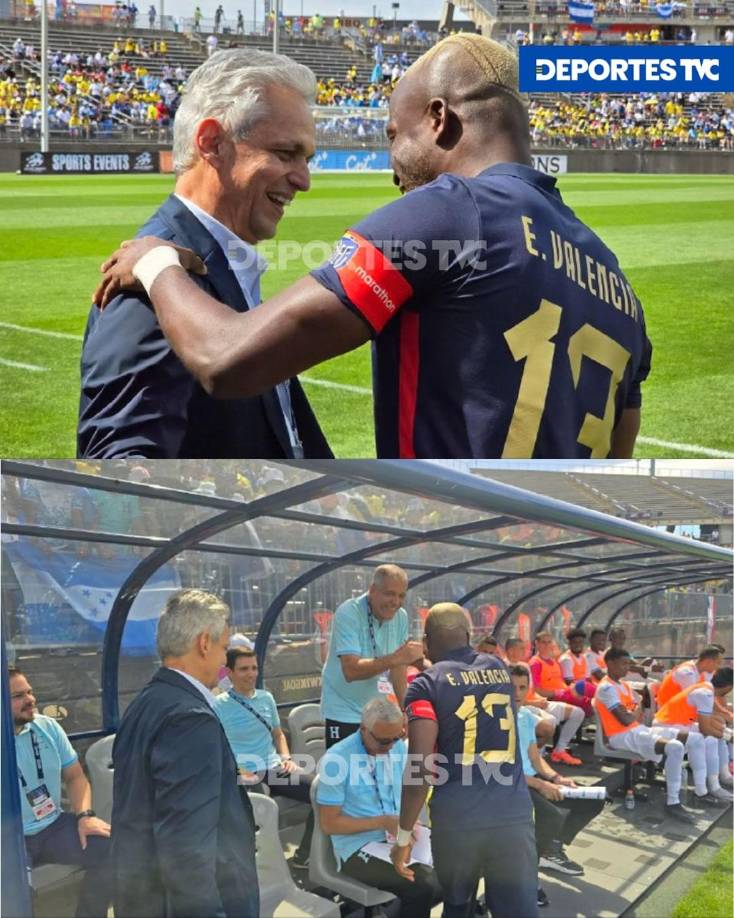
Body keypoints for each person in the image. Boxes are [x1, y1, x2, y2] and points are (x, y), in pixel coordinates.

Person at [95, 34, 651, 460]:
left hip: (449, 546)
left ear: (439, 119)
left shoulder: (447, 211)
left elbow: (225, 360)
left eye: (392, 135)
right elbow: (618, 454)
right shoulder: (619, 286)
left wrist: (156, 263)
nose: (392, 169)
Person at [78, 50, 331, 460]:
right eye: (286, 154)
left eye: (307, 159)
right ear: (212, 143)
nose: (304, 180)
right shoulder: (150, 287)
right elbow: (121, 472)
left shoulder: (197, 264)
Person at [110, 589, 259, 917]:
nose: (224, 661)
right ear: (205, 643)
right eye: (223, 649)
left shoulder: (145, 703)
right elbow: (186, 849)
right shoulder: (191, 719)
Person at [393, 604, 537, 918]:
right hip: (512, 814)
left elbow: (419, 768)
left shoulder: (425, 684)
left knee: (457, 907)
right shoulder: (498, 668)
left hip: (459, 821)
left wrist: (404, 837)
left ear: (427, 641)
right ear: (469, 636)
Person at [316, 697, 441, 917]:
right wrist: (384, 822)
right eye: (384, 741)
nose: (391, 746)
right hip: (358, 847)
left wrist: (408, 824)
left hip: (397, 833)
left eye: (397, 737)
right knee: (422, 886)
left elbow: (407, 793)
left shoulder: (397, 748)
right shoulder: (336, 759)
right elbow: (329, 824)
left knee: (458, 863)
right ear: (364, 729)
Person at [9, 666, 112, 918]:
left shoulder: (48, 727)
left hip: (53, 825)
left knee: (113, 847)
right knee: (15, 893)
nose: (31, 699)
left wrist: (85, 816)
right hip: (11, 838)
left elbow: (76, 776)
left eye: (30, 692)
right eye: (19, 696)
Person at [511, 666, 605, 904]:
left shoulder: (525, 717)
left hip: (534, 779)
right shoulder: (493, 720)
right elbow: (500, 769)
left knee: (594, 799)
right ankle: (526, 875)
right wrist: (540, 785)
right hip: (513, 785)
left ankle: (550, 848)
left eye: (522, 687)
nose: (517, 693)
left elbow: (535, 758)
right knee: (551, 816)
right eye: (512, 687)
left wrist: (555, 778)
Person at [214, 646, 315, 868]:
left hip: (274, 767)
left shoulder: (266, 698)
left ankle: (305, 855)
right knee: (253, 812)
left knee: (322, 792)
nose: (251, 674)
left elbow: (278, 734)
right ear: (229, 672)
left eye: (254, 668)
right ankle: (252, 866)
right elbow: (215, 746)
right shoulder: (218, 705)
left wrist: (287, 758)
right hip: (244, 771)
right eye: (243, 669)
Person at [321, 565, 423, 747]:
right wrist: (397, 658)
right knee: (346, 771)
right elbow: (351, 670)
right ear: (373, 590)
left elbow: (398, 670)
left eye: (401, 596)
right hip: (344, 711)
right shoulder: (349, 612)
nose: (396, 602)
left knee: (382, 772)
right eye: (390, 594)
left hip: (378, 715)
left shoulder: (401, 616)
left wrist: (404, 710)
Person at [594, 648, 700, 822]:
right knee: (675, 746)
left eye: (628, 663)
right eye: (624, 663)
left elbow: (637, 711)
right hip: (621, 736)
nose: (627, 667)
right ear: (611, 664)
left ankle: (694, 784)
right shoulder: (606, 688)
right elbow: (626, 719)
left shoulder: (624, 685)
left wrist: (635, 710)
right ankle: (673, 802)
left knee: (693, 738)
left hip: (637, 730)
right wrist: (636, 710)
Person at [653, 666, 733, 802]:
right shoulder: (705, 693)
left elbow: (710, 720)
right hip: (665, 726)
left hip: (678, 723)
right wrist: (729, 736)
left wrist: (726, 731)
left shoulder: (707, 688)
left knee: (713, 738)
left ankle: (711, 786)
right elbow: (705, 728)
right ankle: (709, 788)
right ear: (729, 686)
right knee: (707, 739)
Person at [506, 638, 585, 766]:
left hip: (537, 702)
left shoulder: (524, 666)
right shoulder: (503, 667)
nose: (525, 651)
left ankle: (559, 750)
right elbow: (514, 697)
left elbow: (530, 689)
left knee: (578, 713)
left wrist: (540, 699)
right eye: (521, 648)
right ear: (511, 650)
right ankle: (537, 757)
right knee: (550, 722)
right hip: (526, 705)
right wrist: (535, 703)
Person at [530, 631, 594, 717]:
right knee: (587, 702)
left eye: (549, 642)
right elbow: (536, 690)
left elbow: (561, 682)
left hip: (565, 693)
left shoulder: (554, 662)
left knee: (590, 699)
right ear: (537, 644)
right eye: (543, 642)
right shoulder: (535, 663)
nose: (546, 645)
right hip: (552, 697)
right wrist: (556, 693)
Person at [655, 645, 724, 707]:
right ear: (708, 662)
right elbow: (695, 700)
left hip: (683, 711)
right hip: (668, 714)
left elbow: (707, 698)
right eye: (718, 663)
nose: (719, 667)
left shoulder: (705, 672)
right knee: (715, 719)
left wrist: (725, 712)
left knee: (718, 718)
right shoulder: (687, 673)